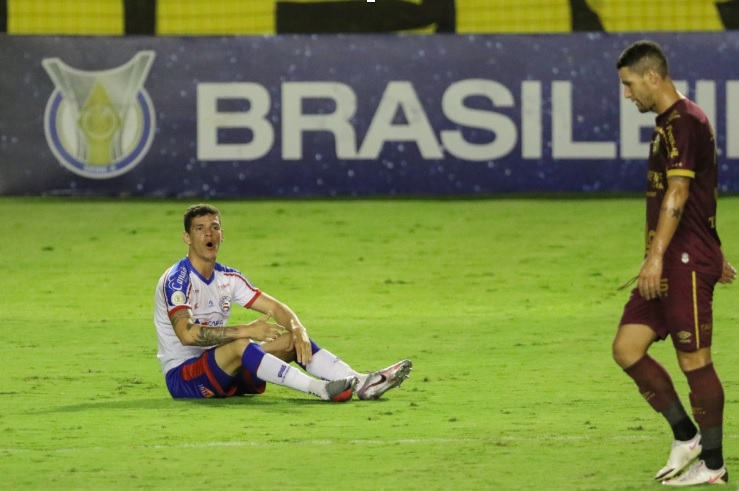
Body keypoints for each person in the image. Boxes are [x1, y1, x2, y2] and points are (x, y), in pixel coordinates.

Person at [612, 40, 736, 486]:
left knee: (695, 362)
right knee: (627, 348)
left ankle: (715, 466)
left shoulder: (684, 122)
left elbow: (680, 194)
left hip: (679, 261)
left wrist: (658, 257)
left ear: (652, 76)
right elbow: (703, 190)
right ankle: (688, 437)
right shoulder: (670, 122)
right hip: (673, 259)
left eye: (629, 85)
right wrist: (714, 249)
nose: (628, 95)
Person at [154, 203, 412, 403]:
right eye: (200, 229)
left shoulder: (228, 277)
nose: (209, 234)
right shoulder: (177, 280)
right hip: (185, 377)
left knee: (290, 340)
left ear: (223, 234)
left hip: (225, 370)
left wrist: (299, 330)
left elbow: (277, 309)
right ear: (187, 238)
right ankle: (319, 389)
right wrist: (245, 330)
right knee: (241, 344)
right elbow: (187, 335)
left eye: (214, 227)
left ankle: (361, 382)